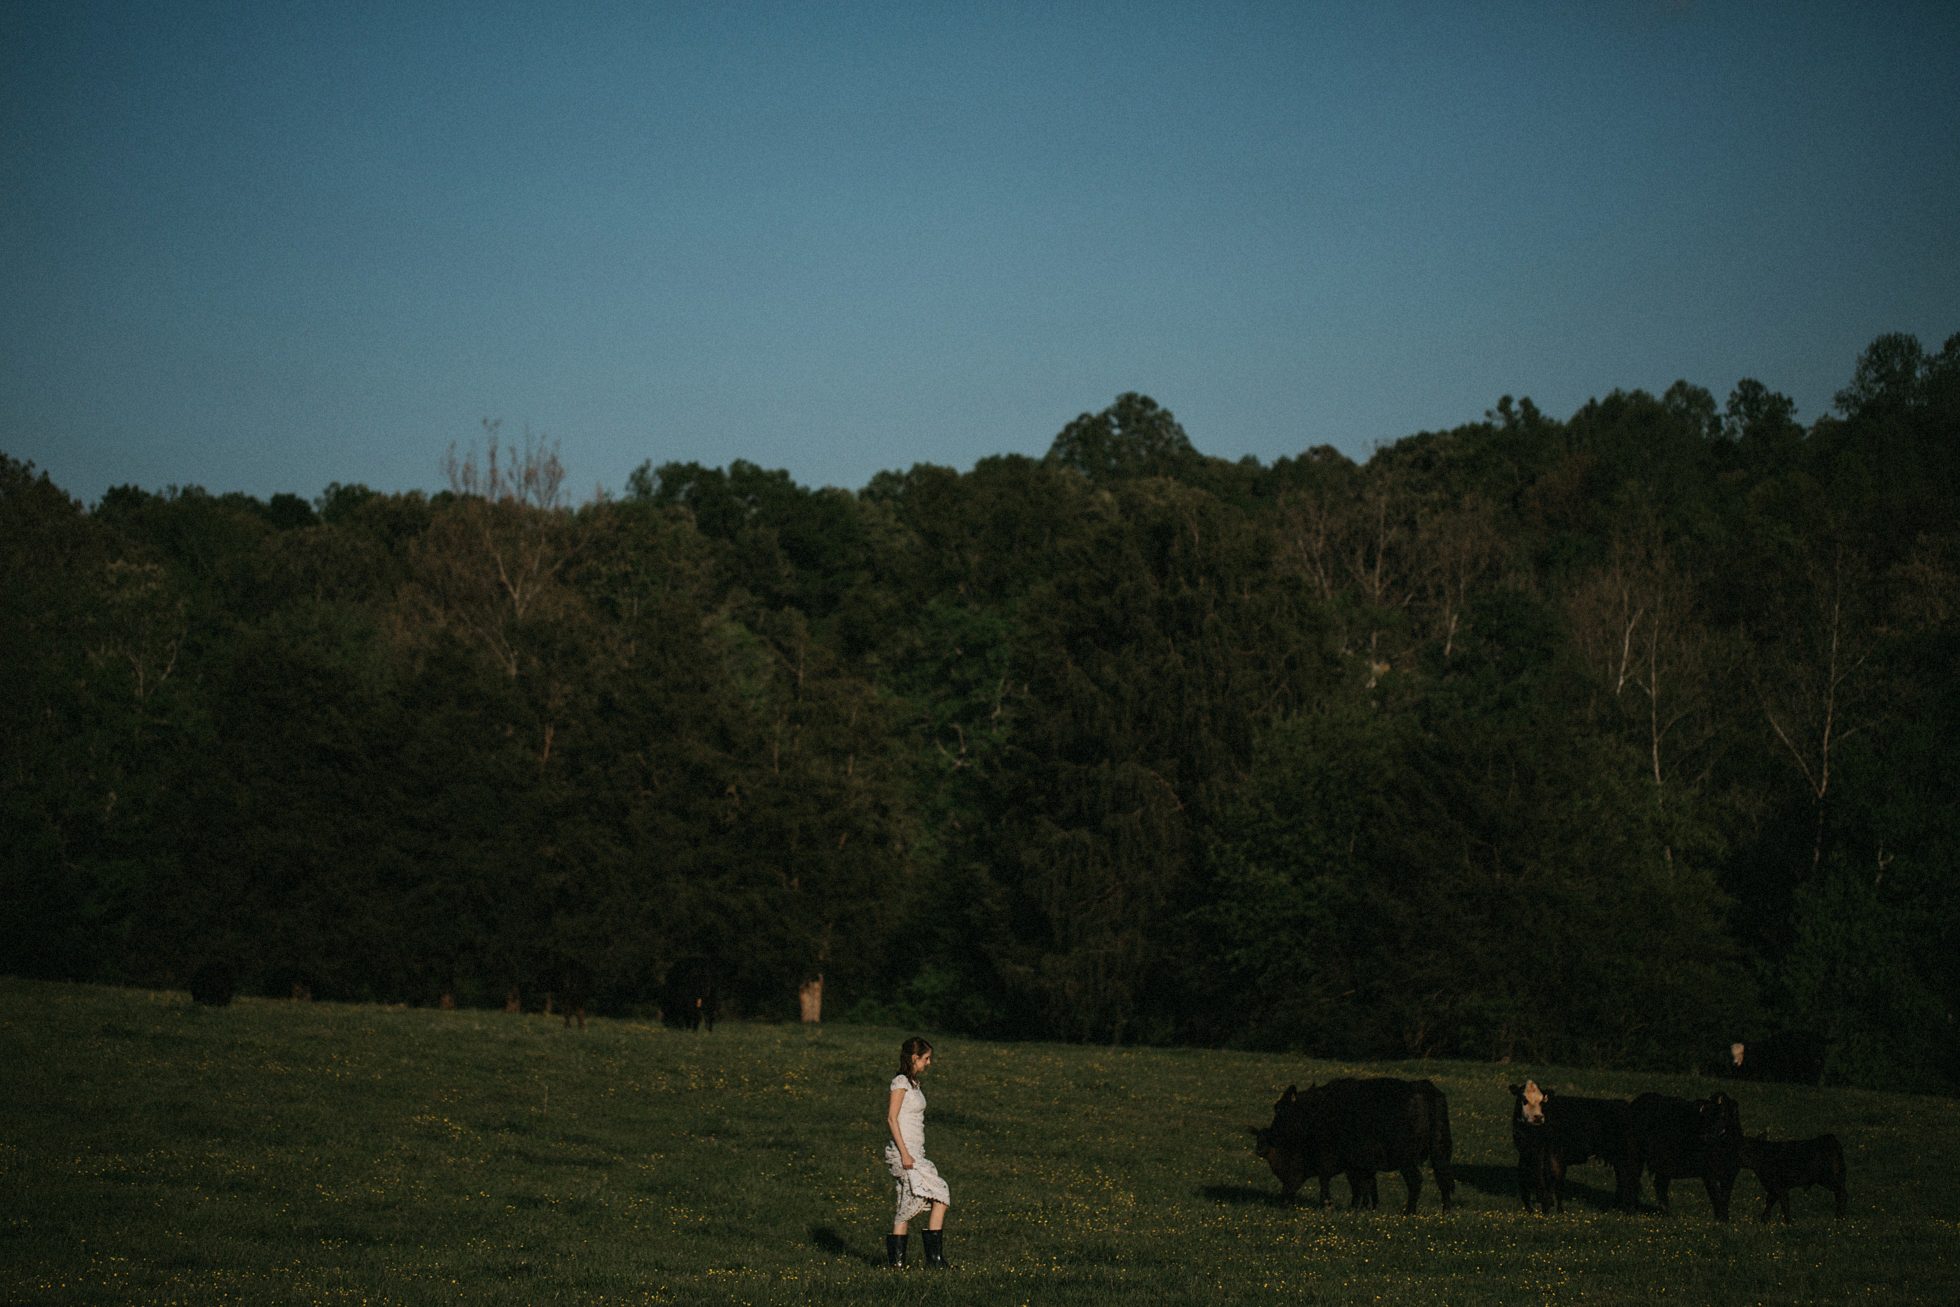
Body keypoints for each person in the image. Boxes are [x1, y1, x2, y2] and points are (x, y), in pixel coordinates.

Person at [883, 1036, 951, 1268]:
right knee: (940, 1193)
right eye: (926, 1058)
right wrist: (904, 1154)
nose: (929, 1063)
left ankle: (899, 1265)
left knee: (906, 1203)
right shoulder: (900, 1082)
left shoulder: (913, 1084)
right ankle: (934, 1260)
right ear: (914, 1058)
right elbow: (892, 1119)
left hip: (916, 1152)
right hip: (905, 1153)